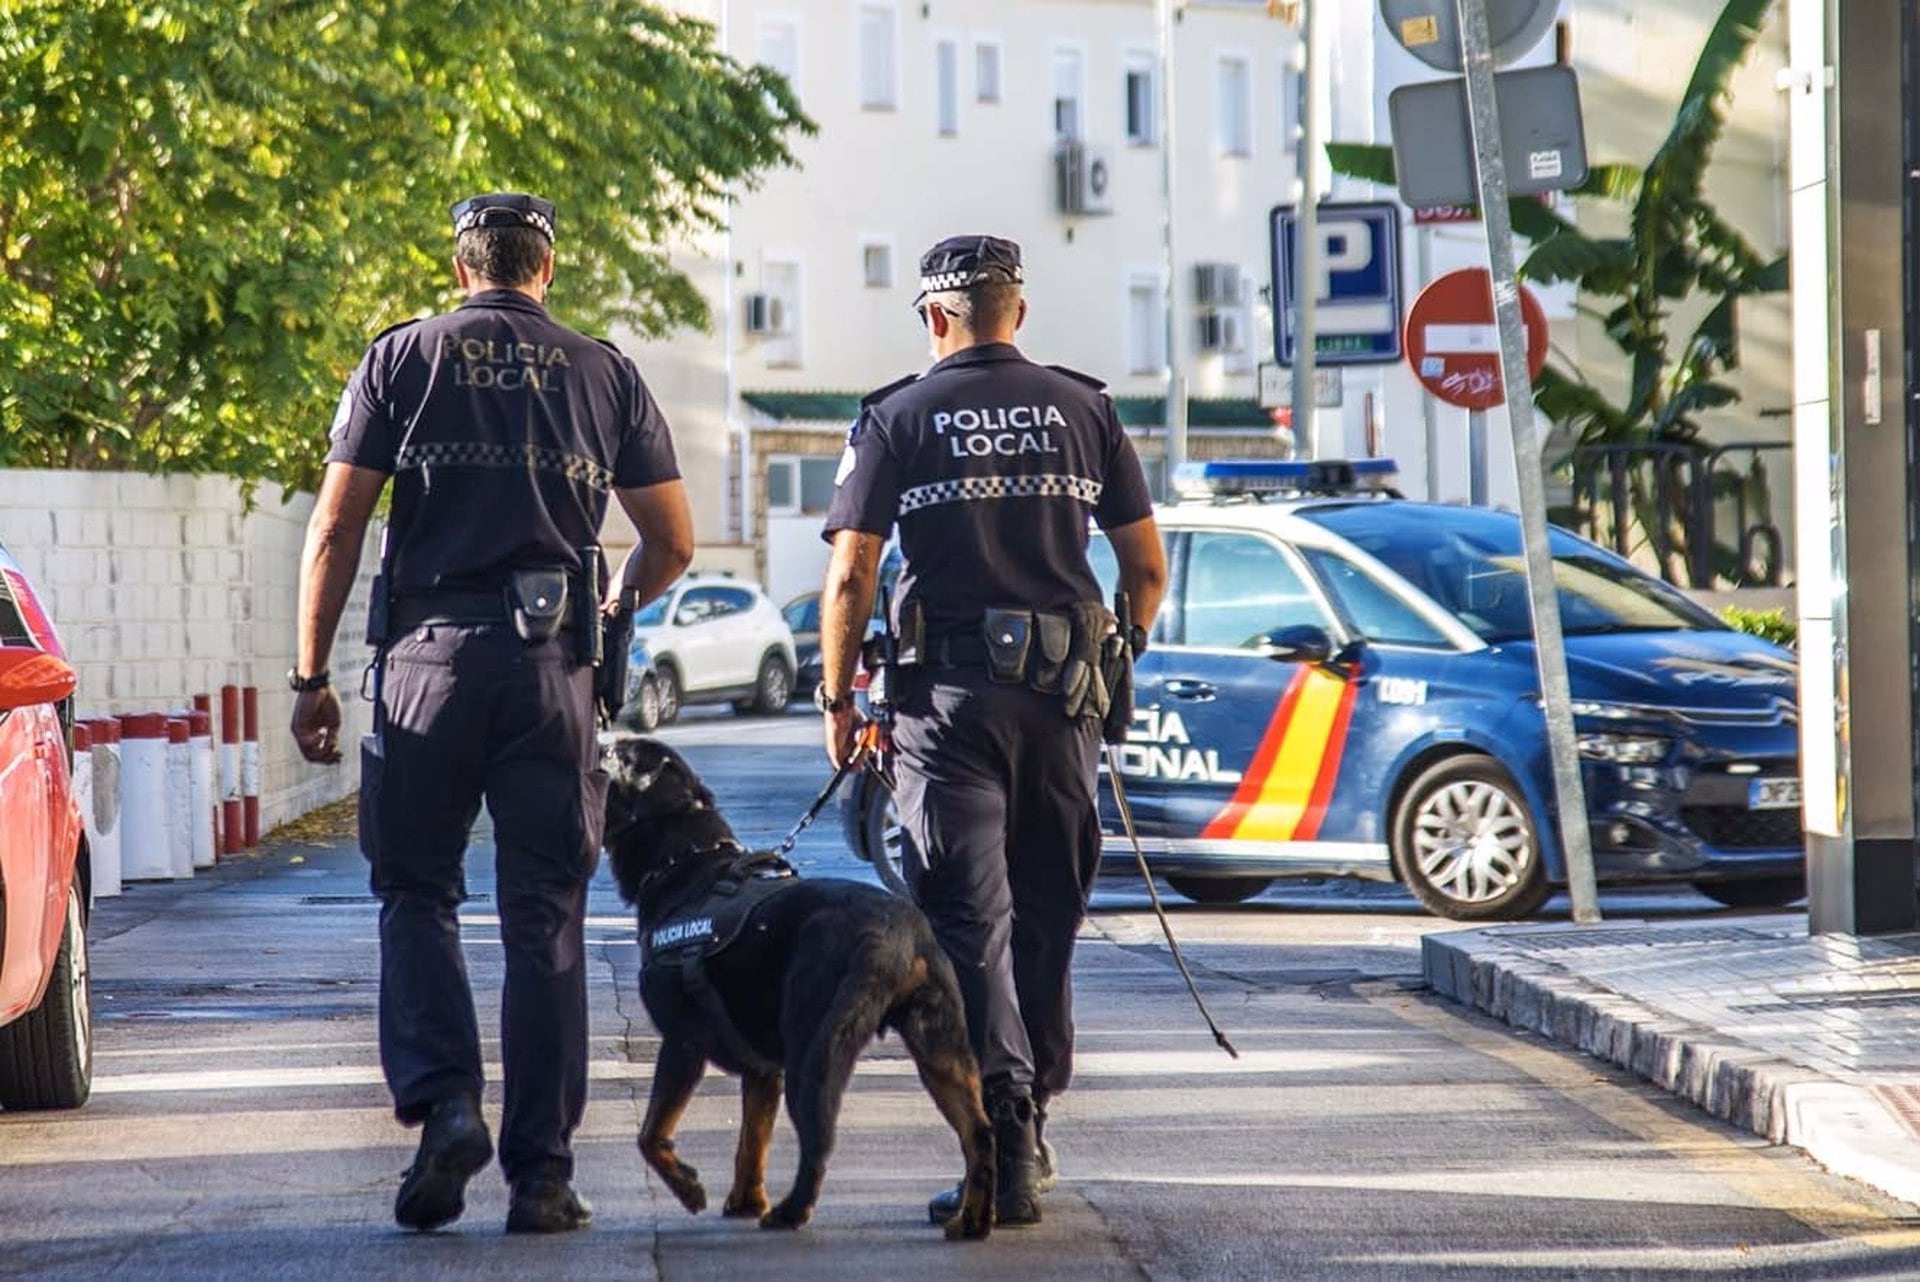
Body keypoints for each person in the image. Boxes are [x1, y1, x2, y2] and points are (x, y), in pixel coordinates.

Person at [290, 192, 694, 1235]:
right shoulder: (606, 372)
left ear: (461, 264)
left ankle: (446, 1107)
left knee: (416, 889)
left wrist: (309, 678)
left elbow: (336, 527)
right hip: (552, 671)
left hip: (426, 662)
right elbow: (674, 539)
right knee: (545, 912)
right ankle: (543, 1177)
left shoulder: (402, 358)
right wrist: (614, 604)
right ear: (545, 268)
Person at [815, 234, 1168, 1227]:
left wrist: (838, 703)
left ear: (935, 318)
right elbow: (1145, 567)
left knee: (969, 924)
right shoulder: (1086, 409)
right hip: (1063, 707)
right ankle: (1033, 1114)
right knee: (1049, 914)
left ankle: (1000, 1131)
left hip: (948, 708)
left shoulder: (896, 416)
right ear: (1019, 310)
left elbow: (851, 574)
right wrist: (1118, 652)